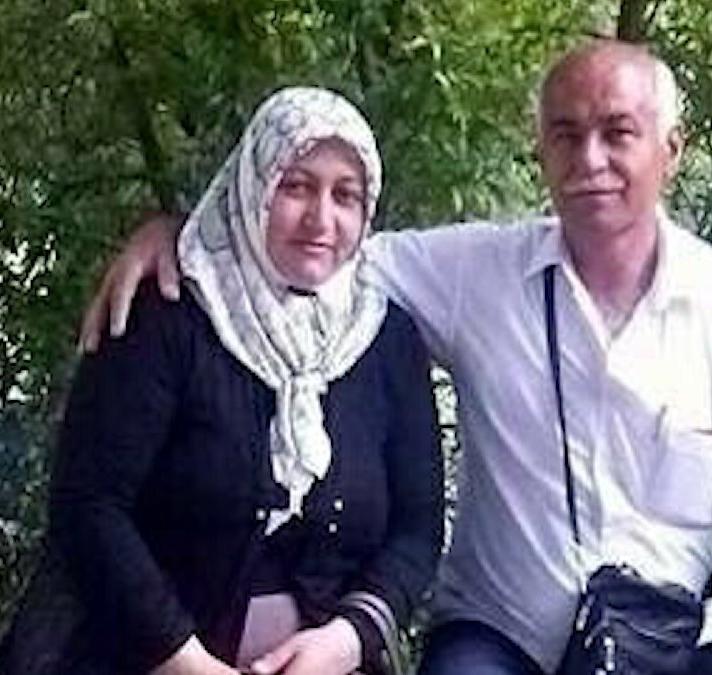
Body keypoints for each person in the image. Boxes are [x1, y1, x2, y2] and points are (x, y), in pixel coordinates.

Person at [78, 39, 712, 675]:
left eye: (617, 132)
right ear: (539, 150)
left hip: (670, 642)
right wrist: (176, 234)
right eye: (565, 134)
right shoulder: (473, 275)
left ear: (671, 149)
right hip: (499, 639)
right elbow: (295, 252)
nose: (589, 158)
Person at [1, 87, 443, 675]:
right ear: (252, 188)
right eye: (296, 186)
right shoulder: (164, 314)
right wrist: (187, 662)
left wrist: (348, 639)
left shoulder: (386, 339)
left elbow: (418, 528)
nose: (321, 218)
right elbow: (90, 506)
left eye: (346, 195)